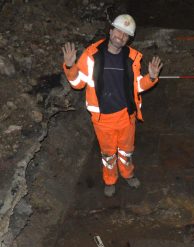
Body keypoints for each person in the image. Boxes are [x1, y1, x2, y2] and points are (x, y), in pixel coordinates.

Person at [62, 14, 163, 197]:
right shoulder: (92, 55)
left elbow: (138, 86)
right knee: (108, 154)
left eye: (126, 34)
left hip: (126, 116)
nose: (121, 36)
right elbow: (78, 83)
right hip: (103, 119)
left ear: (128, 39)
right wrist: (70, 67)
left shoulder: (132, 58)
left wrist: (152, 77)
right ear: (110, 31)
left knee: (126, 151)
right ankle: (110, 180)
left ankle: (128, 174)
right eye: (118, 31)